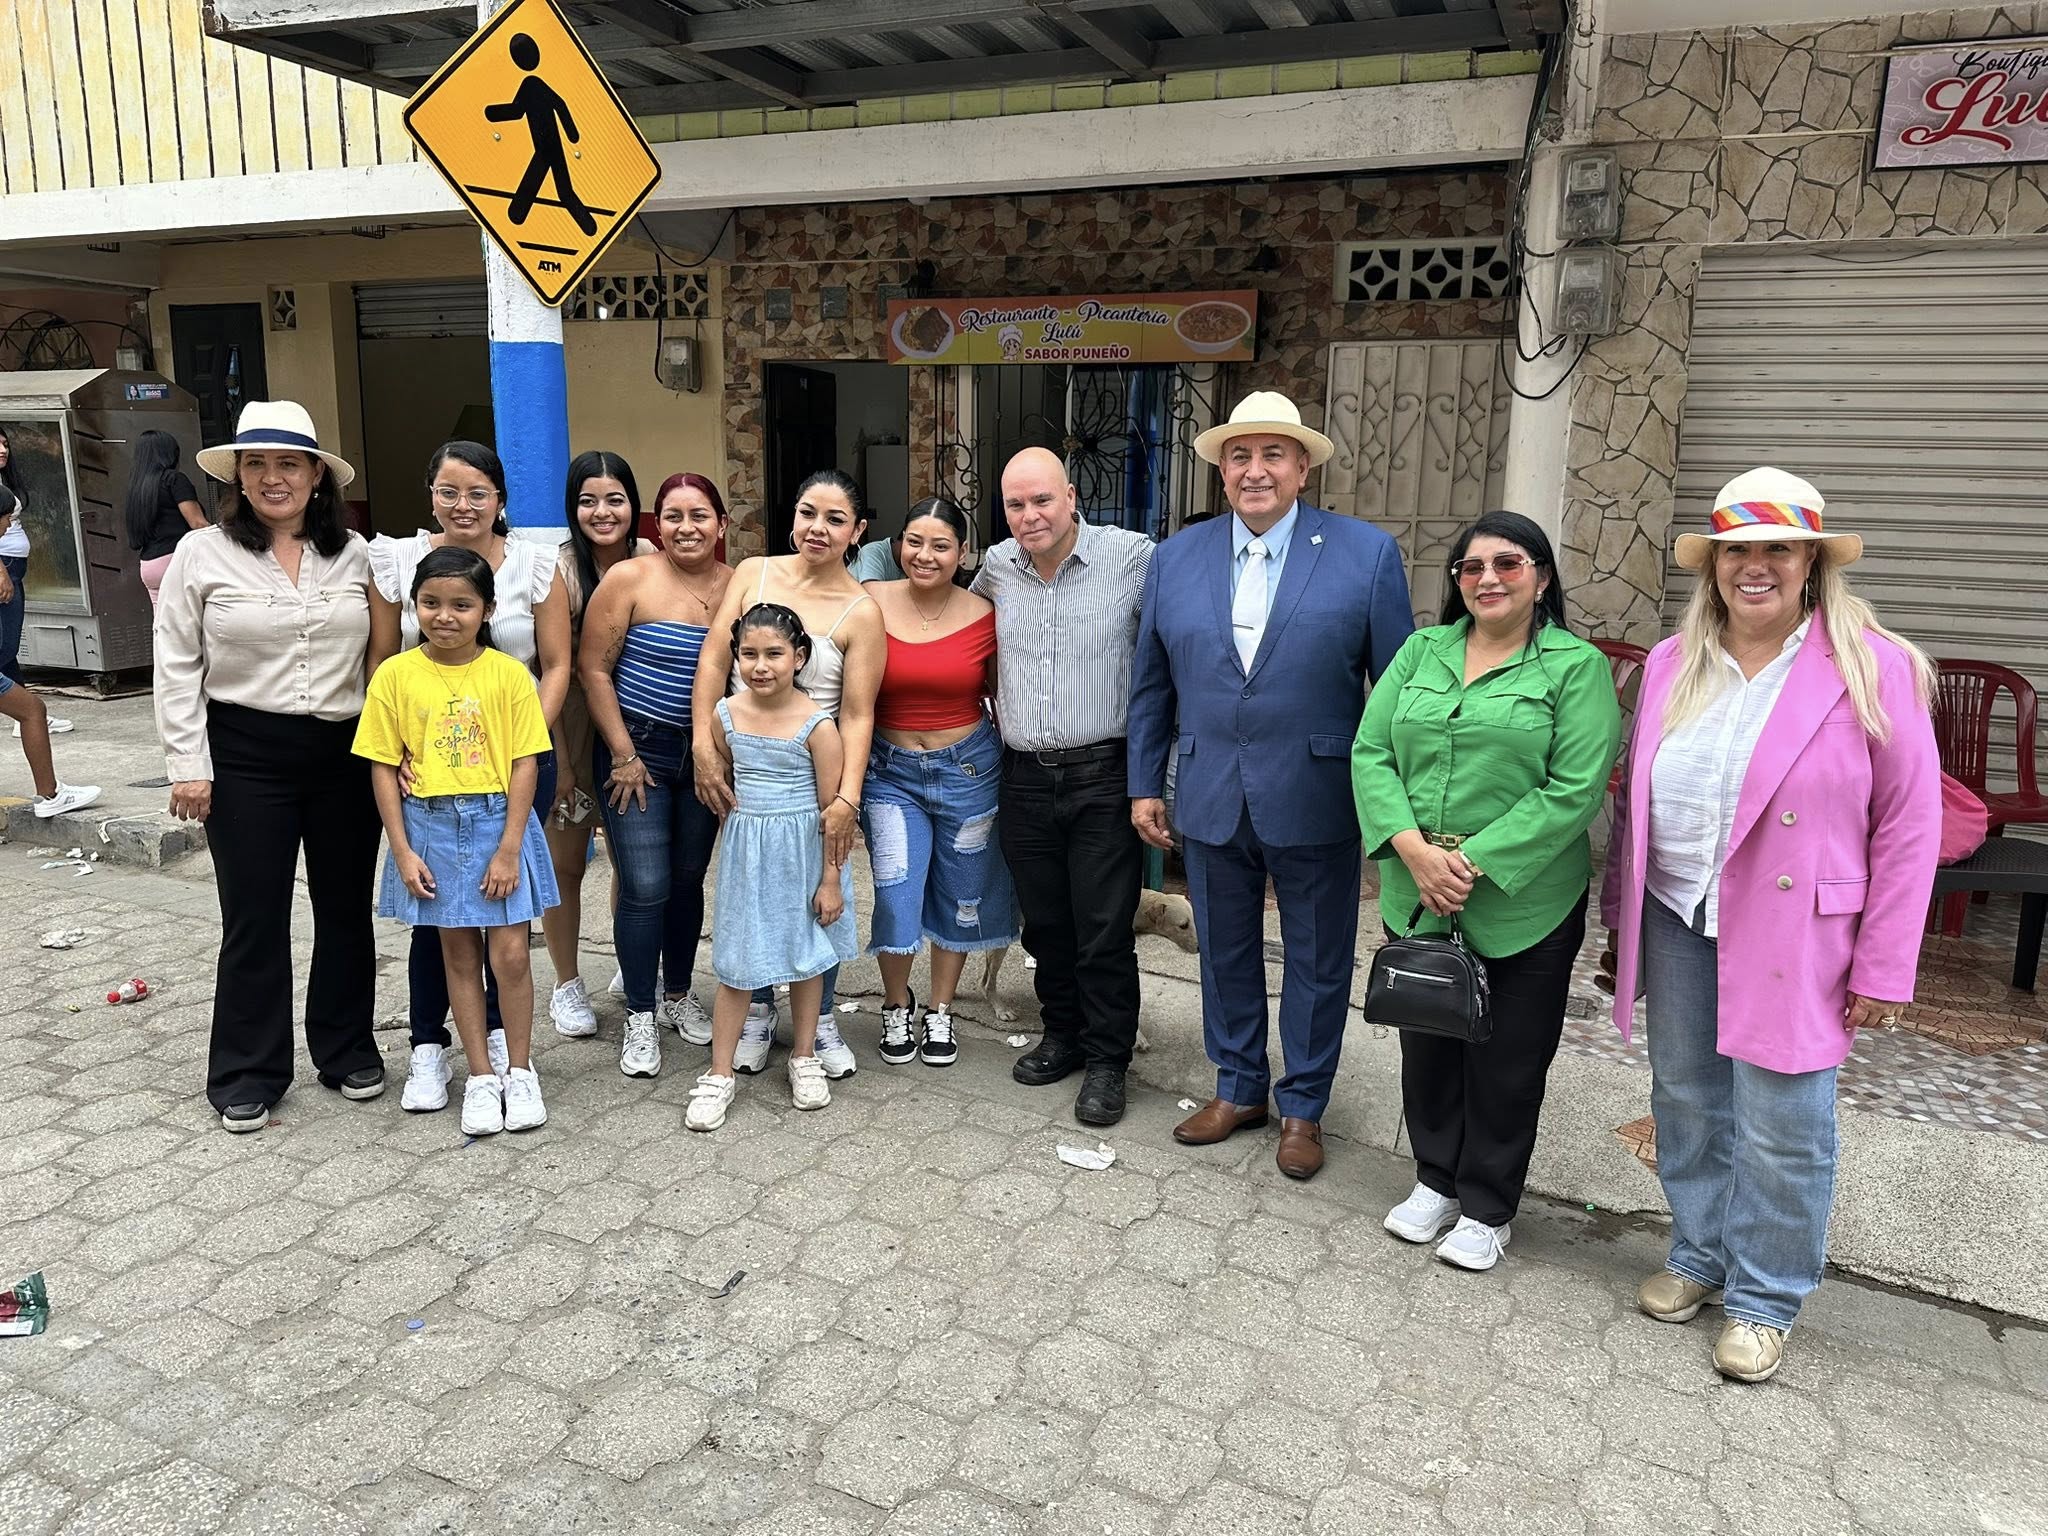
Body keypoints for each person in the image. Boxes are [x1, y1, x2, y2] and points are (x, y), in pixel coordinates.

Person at [1600, 468, 1940, 1382]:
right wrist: (1620, 922)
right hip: (1679, 913)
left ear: (1812, 563)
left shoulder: (1876, 666)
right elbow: (1636, 804)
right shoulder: (1672, 663)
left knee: (1784, 1121)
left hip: (1798, 932)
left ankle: (1765, 1297)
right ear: (1713, 566)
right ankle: (1700, 1252)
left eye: (1778, 549)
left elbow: (1910, 825)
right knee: (1686, 1099)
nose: (1756, 566)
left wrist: (1884, 967)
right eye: (1737, 551)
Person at [1131, 391, 1414, 1177]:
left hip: (1318, 792)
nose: (1255, 470)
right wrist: (1144, 781)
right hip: (1209, 789)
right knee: (1223, 950)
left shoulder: (1365, 554)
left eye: (1272, 455)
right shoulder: (1176, 558)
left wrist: (1396, 806)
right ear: (1222, 471)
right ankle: (1238, 1087)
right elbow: (1151, 682)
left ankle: (1304, 1106)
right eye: (1240, 456)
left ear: (1302, 469)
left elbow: (1398, 692)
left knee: (1319, 961)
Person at [1352, 510, 1619, 1263]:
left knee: (1509, 1061)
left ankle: (1488, 1207)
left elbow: (1575, 787)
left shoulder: (1575, 666)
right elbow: (1371, 751)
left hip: (1522, 902)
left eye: (1508, 563)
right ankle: (1435, 1179)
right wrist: (1412, 851)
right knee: (1428, 1043)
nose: (1488, 578)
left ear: (1541, 576)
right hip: (1417, 891)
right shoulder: (1422, 650)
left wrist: (1466, 862)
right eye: (1471, 567)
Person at [154, 401, 383, 1132]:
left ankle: (346, 1048)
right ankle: (248, 1070)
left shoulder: (355, 553)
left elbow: (384, 655)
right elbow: (176, 661)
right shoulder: (203, 553)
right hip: (244, 755)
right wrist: (188, 764)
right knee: (254, 915)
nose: (272, 477)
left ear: (317, 475)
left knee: (344, 908)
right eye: (256, 463)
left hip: (343, 754)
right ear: (238, 476)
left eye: (288, 463)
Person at [368, 442, 571, 1112]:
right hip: (424, 780)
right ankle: (436, 1048)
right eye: (449, 491)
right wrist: (400, 748)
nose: (463, 505)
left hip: (509, 770)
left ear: (500, 499)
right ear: (430, 493)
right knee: (443, 930)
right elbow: (380, 661)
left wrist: (521, 741)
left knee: (507, 941)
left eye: (478, 492)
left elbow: (557, 664)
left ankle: (512, 1058)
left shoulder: (533, 568)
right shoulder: (398, 561)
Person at [971, 447, 1153, 1126]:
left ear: (1072, 497)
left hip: (1105, 772)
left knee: (1103, 928)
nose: (1030, 516)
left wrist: (1161, 776)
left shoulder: (1132, 558)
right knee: (1046, 924)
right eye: (1015, 504)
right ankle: (1063, 1034)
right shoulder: (996, 568)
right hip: (1023, 776)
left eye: (1042, 500)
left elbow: (1173, 653)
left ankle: (1108, 1058)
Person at [693, 469, 883, 1080]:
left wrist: (846, 798)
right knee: (753, 890)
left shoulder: (861, 610)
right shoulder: (754, 573)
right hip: (747, 763)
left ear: (857, 531)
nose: (817, 528)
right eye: (808, 513)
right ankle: (756, 1012)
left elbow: (857, 713)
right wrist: (703, 744)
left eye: (835, 519)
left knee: (816, 898)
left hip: (813, 771)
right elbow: (714, 660)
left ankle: (818, 1023)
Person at [580, 470, 734, 1077]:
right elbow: (594, 670)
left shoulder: (738, 584)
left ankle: (677, 993)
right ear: (657, 525)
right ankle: (640, 1013)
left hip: (707, 758)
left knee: (689, 877)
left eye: (700, 515)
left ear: (721, 524)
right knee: (645, 885)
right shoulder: (630, 578)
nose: (686, 527)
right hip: (636, 754)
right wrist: (623, 754)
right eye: (673, 516)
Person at [687, 603, 860, 1130]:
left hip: (805, 854)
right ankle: (719, 1074)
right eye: (749, 654)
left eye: (774, 654)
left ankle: (804, 1057)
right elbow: (726, 780)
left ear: (799, 657)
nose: (760, 666)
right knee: (738, 961)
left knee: (807, 958)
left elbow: (832, 815)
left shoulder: (818, 725)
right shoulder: (725, 714)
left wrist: (831, 880)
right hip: (748, 856)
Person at [861, 497, 1017, 1066]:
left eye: (941, 545)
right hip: (889, 773)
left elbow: (1003, 692)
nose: (925, 555)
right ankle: (896, 1003)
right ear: (897, 545)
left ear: (962, 553)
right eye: (914, 542)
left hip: (970, 771)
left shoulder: (985, 614)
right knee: (895, 891)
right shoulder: (870, 600)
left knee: (962, 896)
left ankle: (941, 1009)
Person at [547, 452, 654, 1034]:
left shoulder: (651, 560)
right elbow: (553, 671)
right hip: (570, 729)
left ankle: (627, 962)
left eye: (615, 499)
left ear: (634, 504)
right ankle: (566, 983)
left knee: (631, 858)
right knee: (566, 861)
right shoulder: (558, 570)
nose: (602, 512)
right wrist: (562, 762)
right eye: (588, 500)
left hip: (630, 731)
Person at [0, 424, 74, 737]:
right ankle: (24, 713)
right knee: (6, 644)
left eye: (5, 444)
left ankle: (23, 712)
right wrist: (1, 572)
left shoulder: (5, 480)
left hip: (14, 564)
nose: (3, 450)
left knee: (8, 643)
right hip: (4, 565)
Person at [124, 428, 208, 608]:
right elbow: (198, 523)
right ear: (170, 454)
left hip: (149, 565)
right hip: (175, 559)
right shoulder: (174, 479)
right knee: (190, 617)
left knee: (162, 620)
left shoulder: (137, 487)